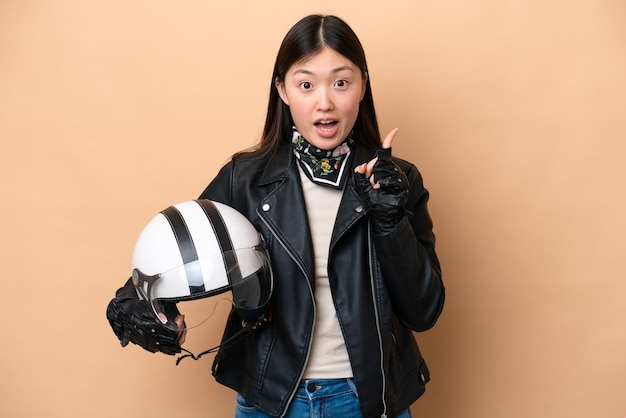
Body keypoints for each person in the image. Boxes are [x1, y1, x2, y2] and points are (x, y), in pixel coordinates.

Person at [107, 14, 444, 418]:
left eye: (341, 82)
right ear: (282, 90)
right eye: (306, 84)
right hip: (271, 401)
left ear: (363, 85)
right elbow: (183, 248)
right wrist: (136, 302)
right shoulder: (245, 179)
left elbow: (423, 312)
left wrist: (390, 219)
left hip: (369, 399)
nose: (325, 102)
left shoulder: (397, 180)